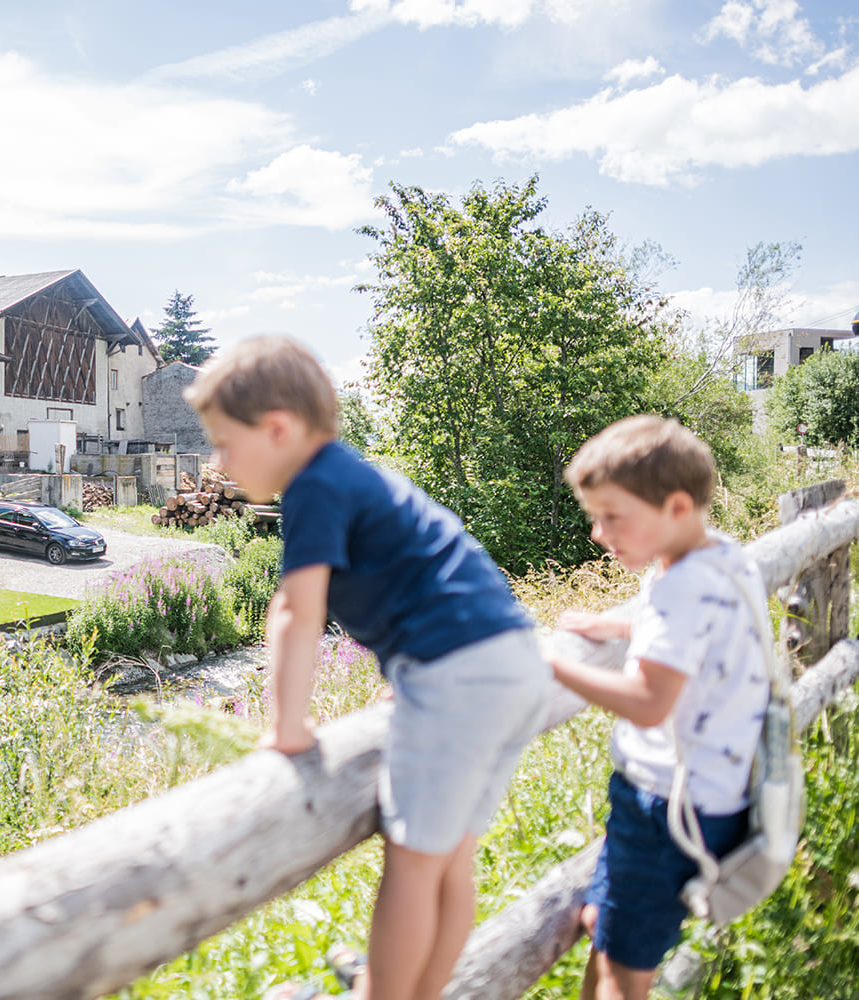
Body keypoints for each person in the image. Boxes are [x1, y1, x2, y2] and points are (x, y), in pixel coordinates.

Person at [184, 335, 550, 1000]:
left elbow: (296, 610)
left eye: (224, 442)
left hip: (457, 677)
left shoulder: (314, 487)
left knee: (412, 867)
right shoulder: (359, 475)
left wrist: (287, 728)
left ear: (278, 429)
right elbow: (423, 587)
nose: (218, 463)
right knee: (451, 862)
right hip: (513, 663)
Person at [546, 415, 770, 1000]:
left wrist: (550, 663)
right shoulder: (722, 557)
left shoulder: (681, 586)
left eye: (612, 516)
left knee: (624, 979)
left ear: (676, 507)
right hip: (709, 799)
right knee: (610, 934)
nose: (598, 533)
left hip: (667, 810)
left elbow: (648, 703)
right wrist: (619, 625)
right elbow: (691, 634)